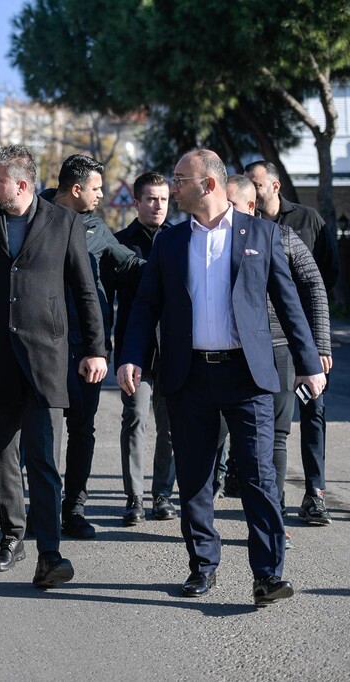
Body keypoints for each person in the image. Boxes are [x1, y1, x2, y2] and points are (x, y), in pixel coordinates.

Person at [117, 149, 325, 606]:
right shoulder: (170, 243)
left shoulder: (263, 234)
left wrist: (310, 361)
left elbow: (289, 304)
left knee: (258, 477)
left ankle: (268, 575)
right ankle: (202, 567)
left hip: (247, 376)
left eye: (180, 179)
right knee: (195, 478)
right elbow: (146, 306)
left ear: (207, 185)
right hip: (188, 376)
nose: (174, 188)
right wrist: (131, 356)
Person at [0, 145, 107, 589]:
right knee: (2, 457)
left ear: (20, 184)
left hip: (47, 360)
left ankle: (50, 553)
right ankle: (11, 538)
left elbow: (85, 290)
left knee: (42, 458)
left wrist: (96, 349)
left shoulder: (65, 223)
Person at [42, 154, 144, 540]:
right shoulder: (36, 219)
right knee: (44, 432)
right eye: (97, 188)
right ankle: (45, 508)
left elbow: (129, 265)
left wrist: (171, 262)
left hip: (88, 350)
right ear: (76, 188)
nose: (101, 194)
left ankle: (74, 509)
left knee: (82, 430)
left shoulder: (96, 227)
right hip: (45, 349)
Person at [226, 175, 330, 547]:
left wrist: (318, 349)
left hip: (279, 347)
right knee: (222, 436)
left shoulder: (280, 237)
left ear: (251, 207)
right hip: (231, 353)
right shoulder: (209, 241)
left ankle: (275, 519)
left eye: (232, 207)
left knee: (277, 437)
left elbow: (314, 287)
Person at [245, 160, 338, 526]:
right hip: (263, 339)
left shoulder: (307, 219)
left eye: (257, 183)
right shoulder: (245, 225)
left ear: (275, 185)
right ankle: (263, 493)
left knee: (313, 411)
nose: (252, 190)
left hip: (305, 340)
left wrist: (320, 343)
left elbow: (324, 278)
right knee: (261, 416)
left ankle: (315, 494)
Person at [107, 171, 176, 525]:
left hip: (176, 349)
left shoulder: (182, 239)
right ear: (136, 202)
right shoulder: (120, 243)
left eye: (163, 199)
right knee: (135, 419)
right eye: (151, 199)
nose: (158, 205)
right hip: (136, 351)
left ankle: (163, 494)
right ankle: (134, 497)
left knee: (171, 425)